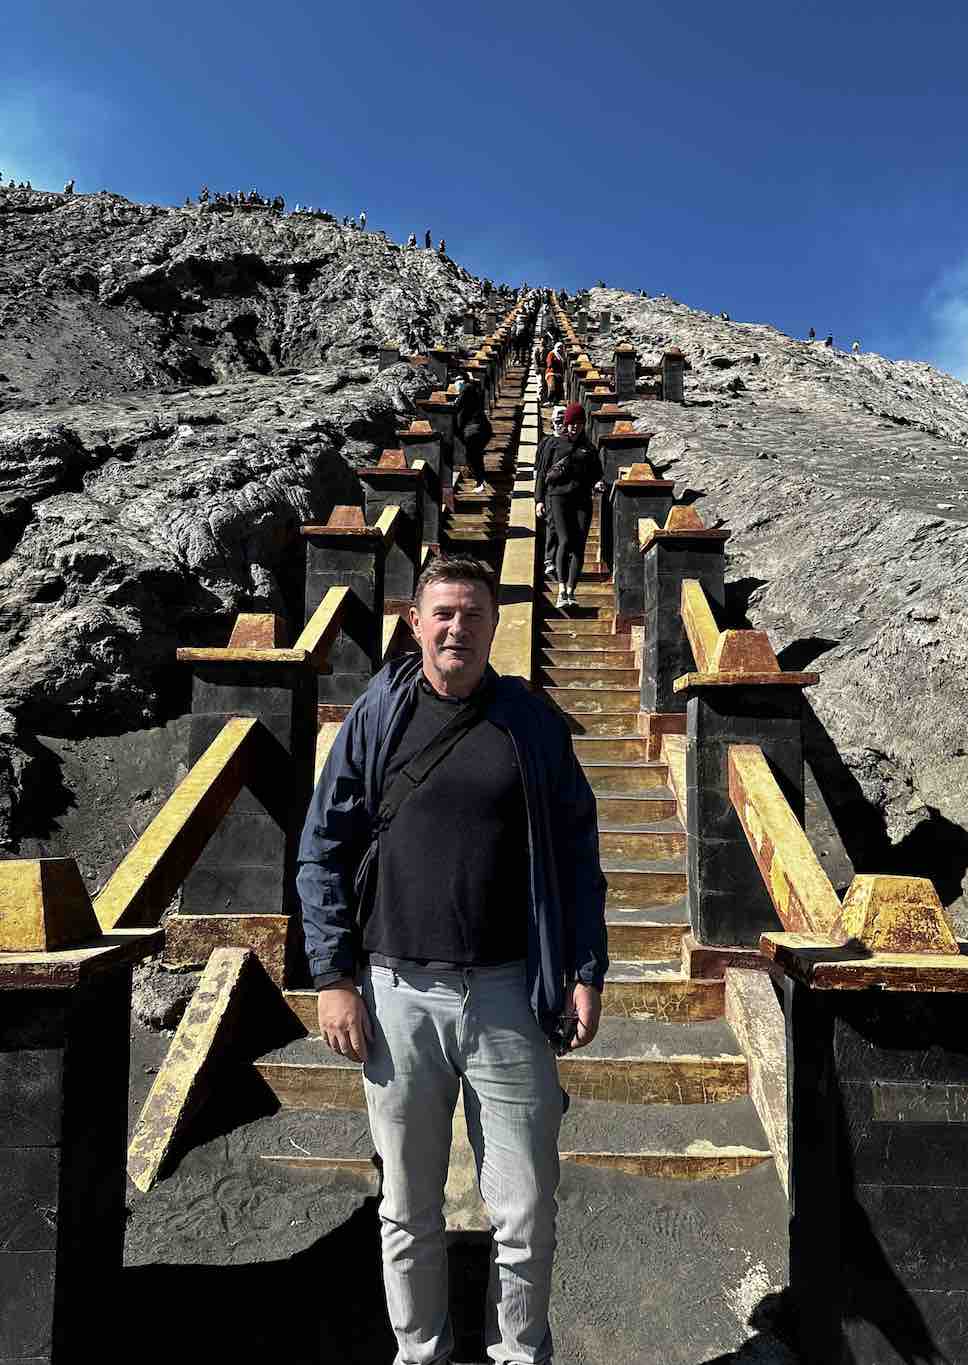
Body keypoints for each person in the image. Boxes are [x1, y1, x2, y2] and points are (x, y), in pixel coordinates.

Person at [297, 553, 607, 1365]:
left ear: (494, 626)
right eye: (442, 613)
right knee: (406, 1205)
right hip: (395, 992)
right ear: (414, 623)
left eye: (472, 614)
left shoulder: (531, 721)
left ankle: (516, 1353)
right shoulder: (380, 713)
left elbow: (577, 849)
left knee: (528, 1206)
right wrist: (333, 977)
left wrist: (584, 966)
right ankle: (419, 1352)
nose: (457, 628)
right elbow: (323, 845)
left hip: (510, 992)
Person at [543, 402, 603, 609]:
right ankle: (560, 590)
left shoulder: (589, 448)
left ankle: (571, 591)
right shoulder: (555, 444)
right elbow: (543, 474)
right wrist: (539, 500)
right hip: (558, 497)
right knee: (565, 540)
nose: (574, 427)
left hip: (582, 499)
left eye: (578, 423)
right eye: (571, 423)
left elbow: (597, 473)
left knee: (579, 545)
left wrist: (598, 483)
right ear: (565, 424)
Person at [535, 405, 566, 576]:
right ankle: (549, 558)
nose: (561, 424)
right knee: (552, 524)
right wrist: (538, 499)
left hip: (568, 493)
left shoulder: (573, 443)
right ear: (552, 422)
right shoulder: (546, 443)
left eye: (564, 421)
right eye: (558, 421)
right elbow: (539, 471)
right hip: (550, 492)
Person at [455, 367, 492, 493]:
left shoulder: (466, 389)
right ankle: (479, 479)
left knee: (473, 456)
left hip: (474, 431)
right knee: (475, 455)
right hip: (482, 429)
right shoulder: (474, 391)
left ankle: (480, 481)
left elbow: (457, 406)